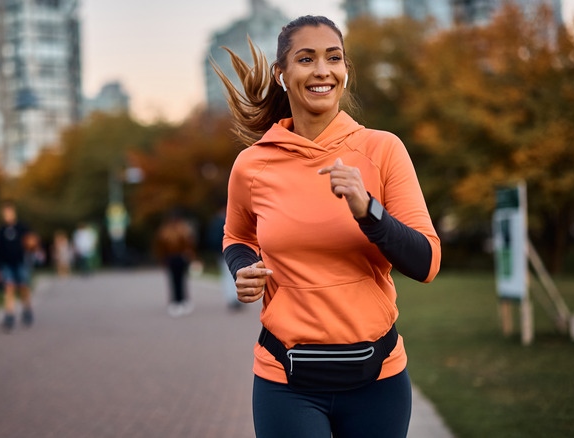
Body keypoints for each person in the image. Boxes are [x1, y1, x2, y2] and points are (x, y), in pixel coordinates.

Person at [214, 16, 441, 437]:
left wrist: (368, 210)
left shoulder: (383, 149)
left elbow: (426, 262)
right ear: (282, 75)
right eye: (306, 58)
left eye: (333, 58)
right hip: (286, 381)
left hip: (378, 381)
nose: (322, 70)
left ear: (345, 71)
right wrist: (243, 267)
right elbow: (237, 235)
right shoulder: (252, 164)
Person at [0, 201, 34, 332]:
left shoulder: (22, 227)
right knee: (9, 288)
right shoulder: (0, 231)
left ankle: (27, 309)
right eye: (5, 213)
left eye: (10, 212)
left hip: (21, 262)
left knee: (23, 287)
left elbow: (31, 241)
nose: (8, 215)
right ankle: (9, 315)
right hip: (7, 264)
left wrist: (32, 245)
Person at [154, 211, 196, 317]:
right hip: (171, 258)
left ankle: (182, 300)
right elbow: (161, 246)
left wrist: (190, 256)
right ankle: (176, 301)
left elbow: (189, 244)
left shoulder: (182, 230)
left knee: (181, 279)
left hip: (180, 257)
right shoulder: (167, 231)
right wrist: (162, 258)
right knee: (174, 280)